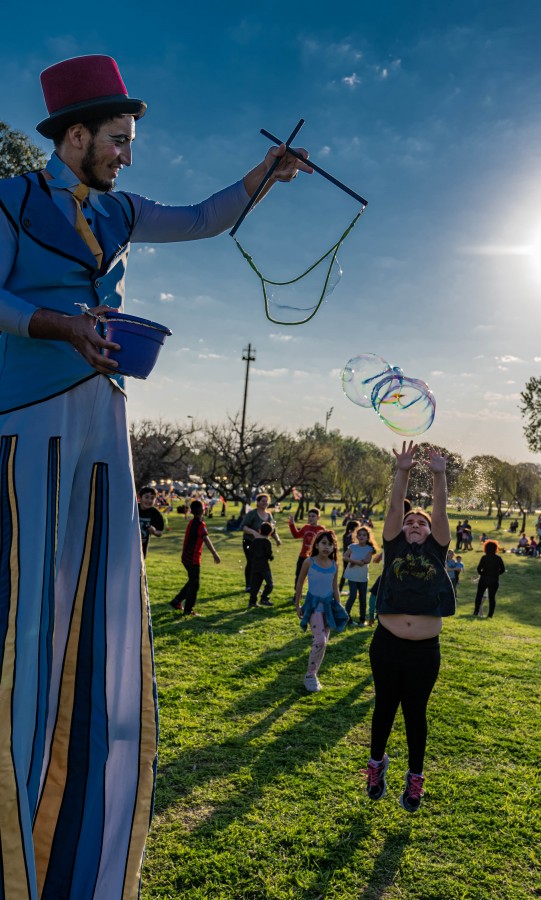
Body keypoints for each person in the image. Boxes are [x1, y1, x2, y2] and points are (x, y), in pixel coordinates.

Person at [0, 53, 312, 899]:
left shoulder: (123, 212)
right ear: (72, 137)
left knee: (95, 610)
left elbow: (207, 216)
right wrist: (56, 325)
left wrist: (265, 174)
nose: (127, 154)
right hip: (26, 422)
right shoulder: (12, 199)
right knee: (25, 615)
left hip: (102, 421)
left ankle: (76, 832)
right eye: (115, 139)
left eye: (130, 140)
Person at [363, 441, 454, 813]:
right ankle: (375, 765)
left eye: (421, 523)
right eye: (410, 521)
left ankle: (415, 779)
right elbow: (393, 505)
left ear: (431, 533)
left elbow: (440, 508)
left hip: (423, 652)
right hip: (386, 645)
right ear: (401, 531)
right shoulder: (394, 548)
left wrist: (439, 474)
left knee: (415, 712)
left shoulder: (438, 549)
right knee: (384, 706)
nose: (415, 524)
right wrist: (401, 471)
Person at [295, 531, 349, 691]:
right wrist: (297, 605)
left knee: (323, 643)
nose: (327, 547)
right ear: (316, 545)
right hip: (313, 608)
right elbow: (299, 584)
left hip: (328, 609)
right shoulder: (308, 562)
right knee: (320, 641)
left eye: (330, 544)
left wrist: (338, 607)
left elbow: (335, 588)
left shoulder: (334, 565)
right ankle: (310, 676)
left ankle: (314, 674)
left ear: (334, 548)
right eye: (323, 543)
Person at [170, 500, 221, 615]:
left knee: (192, 581)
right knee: (194, 584)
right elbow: (205, 539)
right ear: (203, 511)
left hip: (186, 557)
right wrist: (214, 553)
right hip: (192, 559)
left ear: (192, 511)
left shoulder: (192, 522)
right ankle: (188, 609)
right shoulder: (200, 525)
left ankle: (177, 600)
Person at [241, 493, 281, 590]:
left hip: (262, 544)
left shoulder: (269, 515)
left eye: (266, 501)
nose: (265, 503)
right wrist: (254, 533)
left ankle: (256, 585)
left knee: (260, 564)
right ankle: (248, 585)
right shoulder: (252, 514)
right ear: (258, 502)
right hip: (249, 541)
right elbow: (244, 526)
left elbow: (272, 529)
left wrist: (277, 539)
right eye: (263, 501)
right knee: (251, 562)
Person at [343, 525, 377, 626]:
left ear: (367, 537)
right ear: (356, 536)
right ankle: (345, 617)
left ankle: (362, 620)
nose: (362, 537)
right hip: (352, 576)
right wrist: (355, 561)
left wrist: (354, 562)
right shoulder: (352, 546)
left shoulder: (369, 549)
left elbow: (366, 561)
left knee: (363, 598)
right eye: (360, 535)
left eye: (364, 535)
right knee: (352, 596)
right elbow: (345, 557)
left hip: (362, 578)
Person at [288, 507, 325, 589]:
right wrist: (291, 524)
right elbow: (296, 535)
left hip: (315, 558)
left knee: (314, 577)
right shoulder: (306, 527)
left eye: (313, 516)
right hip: (302, 556)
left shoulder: (321, 529)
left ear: (318, 517)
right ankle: (297, 595)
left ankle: (313, 594)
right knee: (299, 576)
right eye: (309, 516)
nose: (310, 518)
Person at [473, 540, 506, 618]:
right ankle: (490, 615)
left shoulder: (484, 557)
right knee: (492, 598)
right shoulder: (498, 558)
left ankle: (476, 612)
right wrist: (497, 574)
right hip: (494, 580)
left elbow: (478, 568)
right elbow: (503, 569)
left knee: (479, 596)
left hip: (484, 579)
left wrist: (482, 574)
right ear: (496, 548)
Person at [247, 522, 275, 609]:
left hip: (255, 566)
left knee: (255, 585)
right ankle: (264, 598)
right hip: (264, 567)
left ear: (259, 531)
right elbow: (269, 554)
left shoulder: (255, 541)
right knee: (270, 584)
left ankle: (252, 602)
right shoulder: (267, 542)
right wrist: (271, 557)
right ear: (270, 533)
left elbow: (250, 552)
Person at [138, 484, 165, 557]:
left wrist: (154, 531)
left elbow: (160, 532)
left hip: (141, 550)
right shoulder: (133, 509)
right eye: (146, 497)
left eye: (152, 498)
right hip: (127, 547)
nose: (149, 500)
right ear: (139, 498)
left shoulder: (155, 513)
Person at [338, 519, 359, 593]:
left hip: (346, 558)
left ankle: (340, 589)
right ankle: (353, 591)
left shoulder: (345, 535)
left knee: (345, 574)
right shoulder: (352, 536)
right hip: (351, 558)